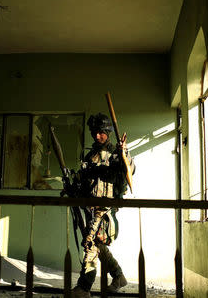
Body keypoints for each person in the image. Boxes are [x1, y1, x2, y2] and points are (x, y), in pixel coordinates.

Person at [72, 113, 136, 298]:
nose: (97, 136)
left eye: (101, 132)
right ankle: (119, 277)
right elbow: (84, 180)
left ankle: (83, 288)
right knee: (98, 245)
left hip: (105, 209)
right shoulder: (91, 154)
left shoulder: (116, 153)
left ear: (107, 132)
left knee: (90, 244)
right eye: (94, 132)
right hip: (91, 207)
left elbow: (129, 169)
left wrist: (124, 152)